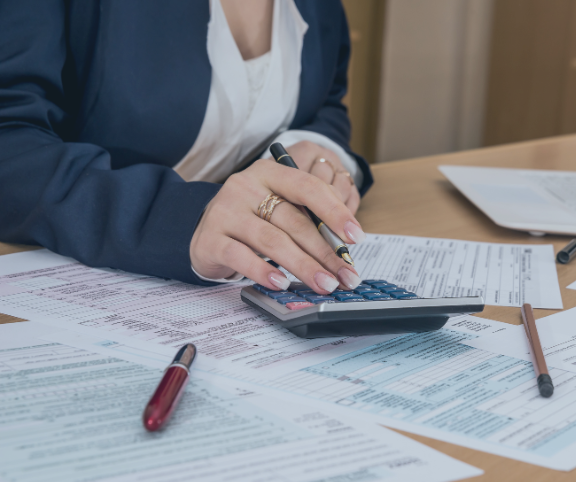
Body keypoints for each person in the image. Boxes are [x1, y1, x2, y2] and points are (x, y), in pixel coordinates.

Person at [0, 0, 371, 296]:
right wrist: (186, 220)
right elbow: (11, 145)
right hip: (86, 283)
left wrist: (315, 151)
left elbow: (326, 101)